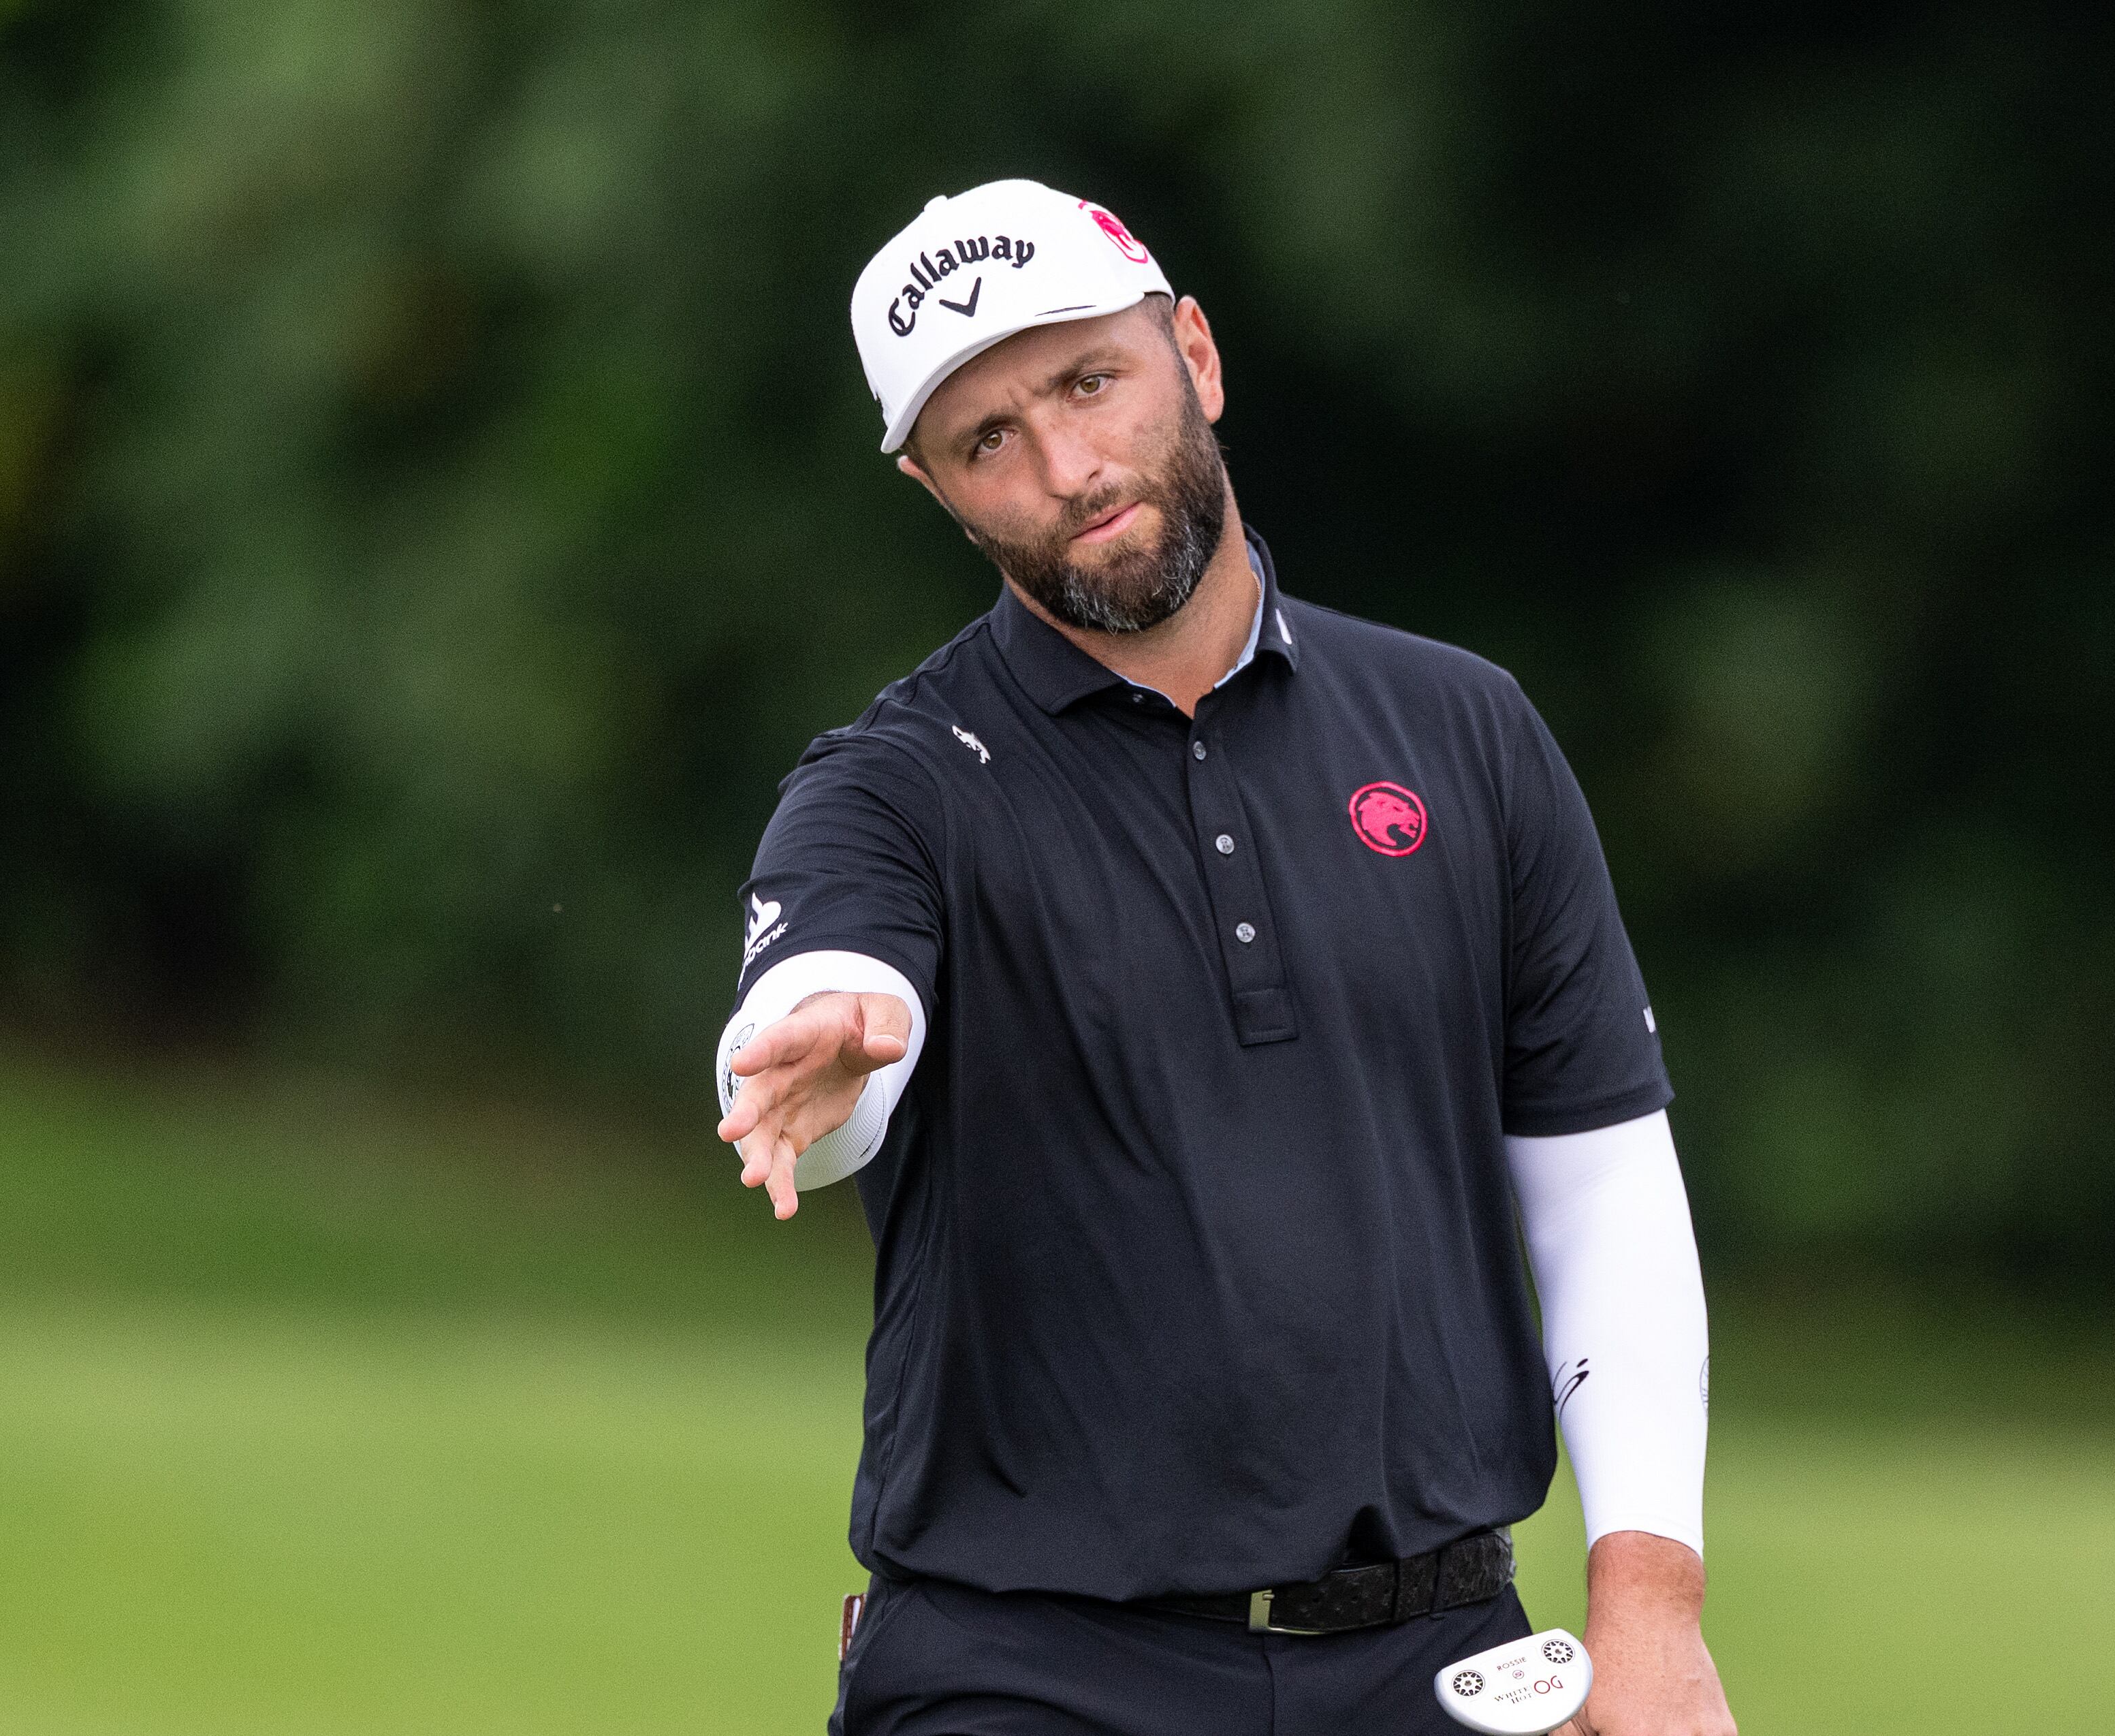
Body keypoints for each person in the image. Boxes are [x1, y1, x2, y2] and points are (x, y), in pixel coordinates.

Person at [716, 178, 1738, 1736]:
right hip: (1024, 1674)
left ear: (1192, 353)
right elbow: (827, 1018)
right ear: (933, 489)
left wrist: (1648, 1604)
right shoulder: (892, 785)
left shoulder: (1465, 731)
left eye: (1087, 381)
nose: (1066, 466)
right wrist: (831, 1047)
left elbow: (1598, 1177)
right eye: (988, 438)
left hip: (1443, 1661)